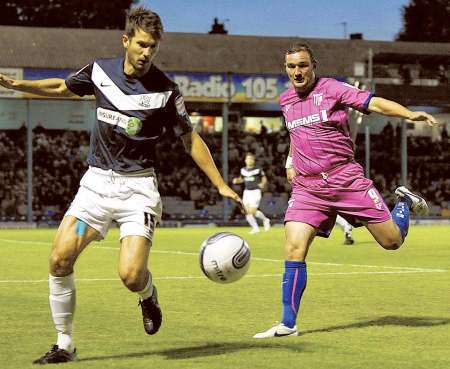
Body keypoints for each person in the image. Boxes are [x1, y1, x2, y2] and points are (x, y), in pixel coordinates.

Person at [0, 7, 244, 364]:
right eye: (142, 44)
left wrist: (220, 184)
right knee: (59, 259)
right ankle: (64, 343)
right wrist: (16, 84)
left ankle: (147, 295)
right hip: (96, 189)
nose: (147, 53)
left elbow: (190, 139)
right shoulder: (100, 72)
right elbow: (62, 86)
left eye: (153, 47)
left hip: (138, 193)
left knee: (130, 276)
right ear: (126, 41)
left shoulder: (165, 90)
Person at [253, 43, 437, 338]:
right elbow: (297, 135)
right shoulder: (286, 100)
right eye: (291, 67)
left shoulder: (333, 89)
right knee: (293, 247)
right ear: (286, 69)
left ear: (314, 65)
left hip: (345, 179)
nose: (297, 72)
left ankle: (402, 202)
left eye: (302, 65)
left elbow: (374, 103)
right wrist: (291, 161)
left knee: (391, 241)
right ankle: (288, 323)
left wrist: (409, 114)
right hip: (308, 187)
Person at [232, 153, 270, 234]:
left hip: (255, 191)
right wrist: (237, 180)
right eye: (247, 159)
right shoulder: (243, 170)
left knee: (252, 211)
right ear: (245, 160)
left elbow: (264, 178)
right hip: (246, 192)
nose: (249, 160)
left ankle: (265, 220)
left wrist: (263, 184)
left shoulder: (258, 169)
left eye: (250, 159)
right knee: (245, 211)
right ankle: (255, 228)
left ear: (253, 160)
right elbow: (242, 179)